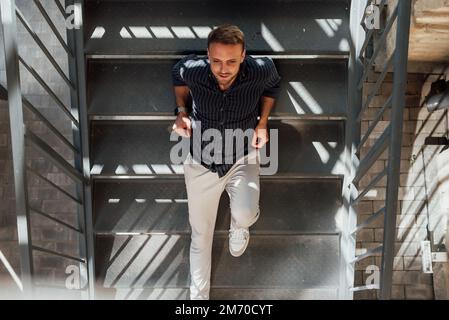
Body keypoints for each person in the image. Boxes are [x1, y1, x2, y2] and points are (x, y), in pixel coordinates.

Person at [171, 24, 281, 300]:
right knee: (201, 236)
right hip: (200, 163)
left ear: (244, 55)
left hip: (242, 157)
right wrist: (181, 111)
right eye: (217, 60)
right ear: (208, 55)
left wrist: (263, 123)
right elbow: (176, 75)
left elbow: (273, 85)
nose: (223, 68)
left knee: (245, 213)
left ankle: (239, 226)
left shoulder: (260, 70)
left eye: (231, 61)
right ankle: (198, 300)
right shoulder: (193, 69)